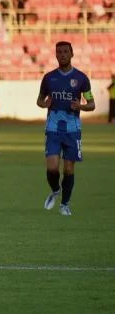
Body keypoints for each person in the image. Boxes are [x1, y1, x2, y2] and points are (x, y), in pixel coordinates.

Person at [37, 41, 96, 216]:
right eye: (59, 52)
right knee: (52, 167)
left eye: (65, 51)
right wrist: (44, 103)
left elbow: (91, 104)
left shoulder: (82, 78)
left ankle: (65, 204)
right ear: (56, 55)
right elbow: (39, 100)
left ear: (72, 54)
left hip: (72, 129)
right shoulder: (49, 78)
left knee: (69, 169)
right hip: (53, 128)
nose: (62, 54)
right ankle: (56, 190)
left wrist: (81, 106)